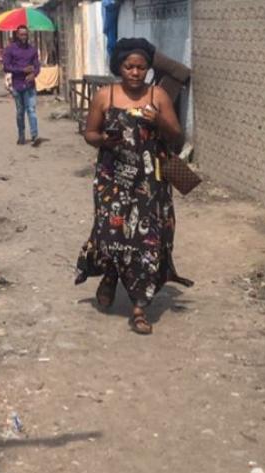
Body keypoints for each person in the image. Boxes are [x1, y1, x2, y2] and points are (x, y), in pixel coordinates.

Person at [75, 38, 192, 335]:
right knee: (111, 233)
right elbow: (89, 133)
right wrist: (104, 140)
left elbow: (177, 137)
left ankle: (140, 307)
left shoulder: (158, 95)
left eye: (141, 67)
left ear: (148, 68)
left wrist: (159, 121)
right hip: (112, 179)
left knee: (147, 240)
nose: (136, 73)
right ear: (119, 67)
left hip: (150, 181)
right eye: (129, 67)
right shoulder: (105, 96)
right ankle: (111, 275)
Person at [3, 25, 41, 146]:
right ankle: (21, 135)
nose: (24, 37)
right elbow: (6, 67)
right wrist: (22, 70)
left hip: (30, 85)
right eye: (21, 34)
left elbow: (37, 66)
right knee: (20, 112)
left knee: (31, 110)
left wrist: (34, 74)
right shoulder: (10, 49)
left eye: (25, 34)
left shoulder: (32, 50)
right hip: (17, 84)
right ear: (17, 35)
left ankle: (34, 136)